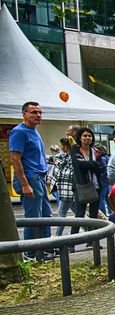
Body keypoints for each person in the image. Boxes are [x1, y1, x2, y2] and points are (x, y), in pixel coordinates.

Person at [9, 102, 54, 259]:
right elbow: (15, 159)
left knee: (46, 216)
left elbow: (39, 156)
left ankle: (46, 249)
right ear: (24, 114)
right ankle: (31, 253)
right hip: (30, 177)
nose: (38, 115)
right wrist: (25, 184)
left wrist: (46, 174)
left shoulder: (35, 131)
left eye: (40, 112)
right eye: (34, 112)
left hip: (39, 176)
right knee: (33, 217)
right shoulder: (19, 132)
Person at [70, 127, 105, 240]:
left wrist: (89, 164)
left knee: (94, 215)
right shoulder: (75, 150)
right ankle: (72, 241)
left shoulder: (96, 151)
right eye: (85, 136)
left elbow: (102, 168)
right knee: (79, 214)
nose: (87, 138)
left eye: (89, 136)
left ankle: (92, 241)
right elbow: (79, 166)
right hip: (82, 186)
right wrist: (93, 164)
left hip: (96, 186)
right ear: (80, 137)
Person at [52, 137, 76, 237]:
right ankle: (90, 239)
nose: (61, 147)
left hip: (68, 190)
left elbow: (67, 173)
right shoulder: (66, 157)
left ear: (67, 146)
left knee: (61, 213)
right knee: (79, 214)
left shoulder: (72, 158)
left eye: (62, 145)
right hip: (66, 190)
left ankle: (57, 236)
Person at [94, 143, 112, 218]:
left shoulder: (101, 159)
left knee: (101, 198)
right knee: (108, 198)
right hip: (107, 180)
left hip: (102, 180)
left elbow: (103, 169)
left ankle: (103, 215)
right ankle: (112, 213)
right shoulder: (107, 157)